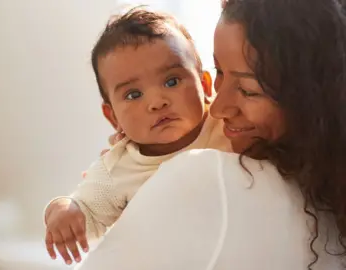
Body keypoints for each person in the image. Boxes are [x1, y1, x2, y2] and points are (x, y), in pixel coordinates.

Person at [76, 0, 346, 269]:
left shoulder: (204, 173)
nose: (216, 107)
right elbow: (88, 209)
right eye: (220, 72)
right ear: (111, 116)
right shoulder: (325, 189)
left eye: (248, 89)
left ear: (313, 101)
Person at [43, 7, 230, 265]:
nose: (156, 102)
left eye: (172, 81)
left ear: (205, 85)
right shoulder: (118, 167)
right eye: (133, 94)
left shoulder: (227, 124)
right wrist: (62, 210)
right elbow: (86, 210)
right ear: (113, 117)